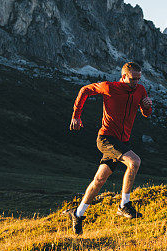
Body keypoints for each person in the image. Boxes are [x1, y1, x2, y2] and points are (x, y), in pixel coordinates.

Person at [64, 61, 154, 235]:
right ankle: (124, 205)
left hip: (122, 142)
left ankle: (78, 213)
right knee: (134, 161)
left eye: (138, 79)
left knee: (99, 180)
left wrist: (148, 105)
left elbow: (146, 113)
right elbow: (85, 90)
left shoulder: (140, 90)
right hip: (106, 138)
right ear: (123, 76)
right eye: (132, 79)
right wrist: (76, 116)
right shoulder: (109, 87)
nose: (136, 82)